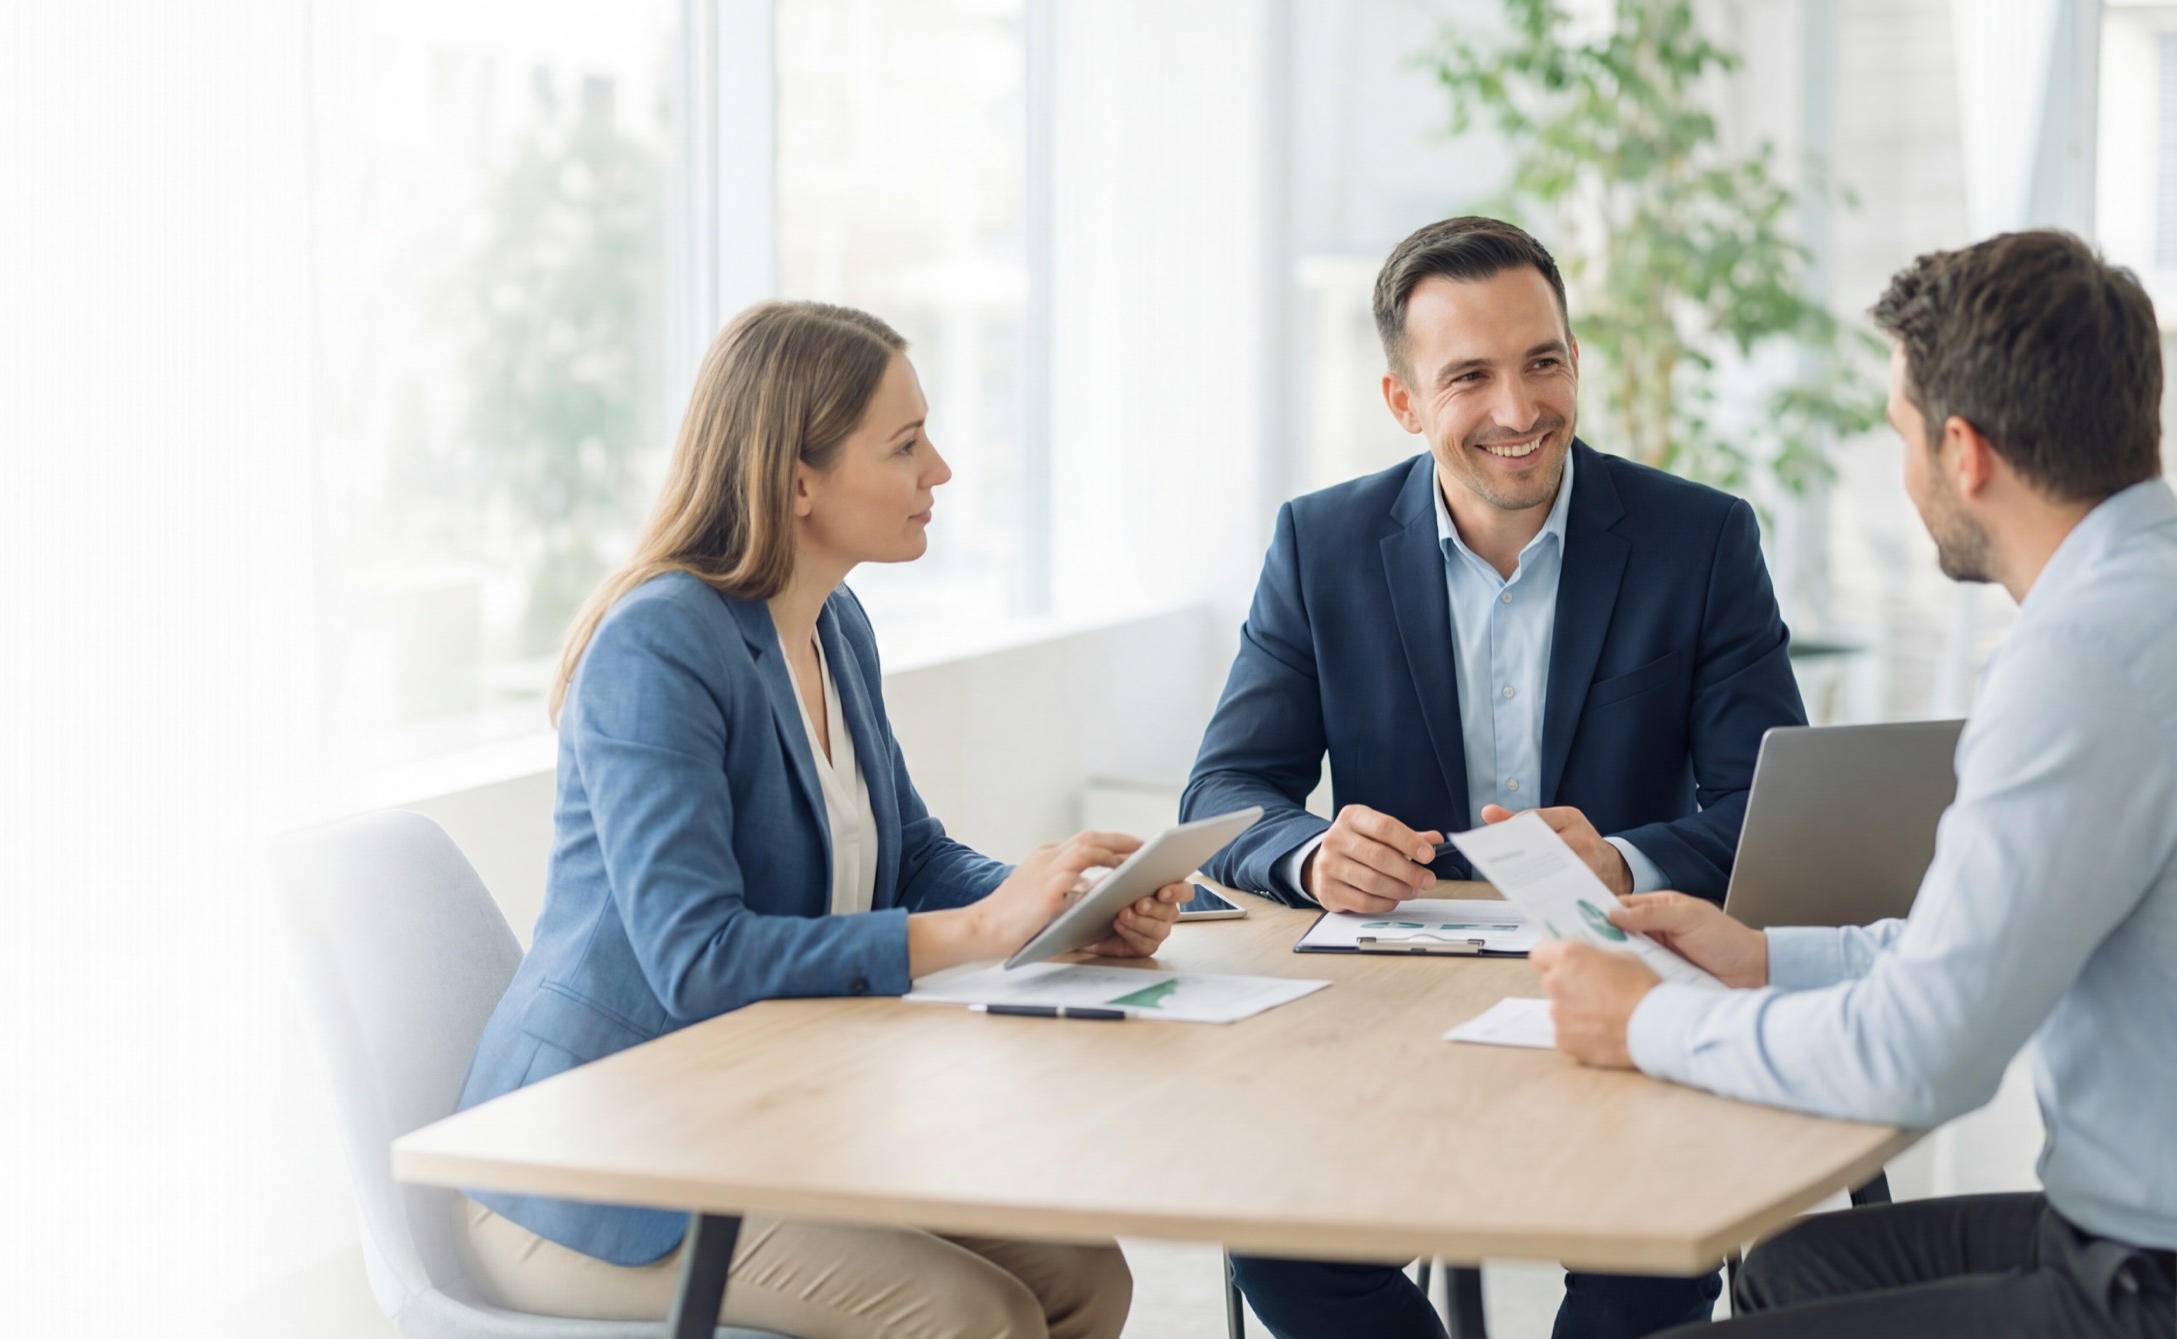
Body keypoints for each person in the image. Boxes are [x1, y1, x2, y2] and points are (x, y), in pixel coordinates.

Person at [453, 300, 1187, 1339]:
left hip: (752, 1124)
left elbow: (913, 854)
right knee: (971, 1316)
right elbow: (696, 956)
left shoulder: (833, 621)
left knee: (1084, 1279)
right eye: (905, 444)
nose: (941, 469)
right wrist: (980, 934)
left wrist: (1061, 900)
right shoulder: (658, 647)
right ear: (799, 480)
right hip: (592, 1165)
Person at [1532, 230, 2176, 1338]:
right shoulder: (2141, 595)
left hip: (2142, 1275)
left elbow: (1918, 1055)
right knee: (1793, 1269)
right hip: (2117, 1223)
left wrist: (1644, 1023)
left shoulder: (2084, 659)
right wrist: (1770, 956)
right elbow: (1980, 942)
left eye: (1901, 438)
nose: (1907, 473)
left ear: (1964, 452)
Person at [1184, 216, 1808, 1339]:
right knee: (1281, 1238)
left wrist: (1622, 857)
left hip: (1628, 985)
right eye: (1470, 377)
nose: (1520, 412)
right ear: (1403, 401)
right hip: (1385, 1011)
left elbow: (1768, 809)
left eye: (1544, 363)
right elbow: (1226, 791)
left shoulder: (1699, 540)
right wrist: (1315, 851)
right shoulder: (1318, 546)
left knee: (1652, 1263)